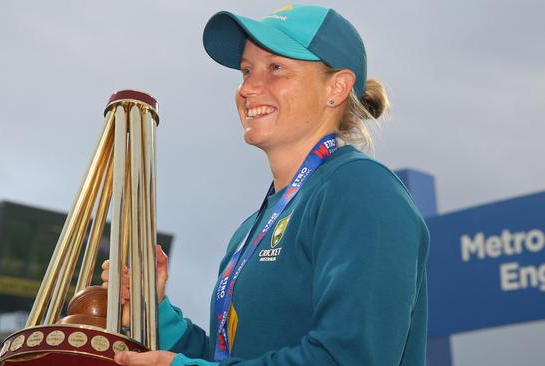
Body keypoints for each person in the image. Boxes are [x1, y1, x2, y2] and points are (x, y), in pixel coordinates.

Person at [102, 4, 429, 366]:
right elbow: (232, 359)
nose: (247, 88)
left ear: (336, 87)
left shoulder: (362, 190)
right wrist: (155, 313)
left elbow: (348, 358)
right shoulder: (250, 230)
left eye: (276, 68)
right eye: (246, 70)